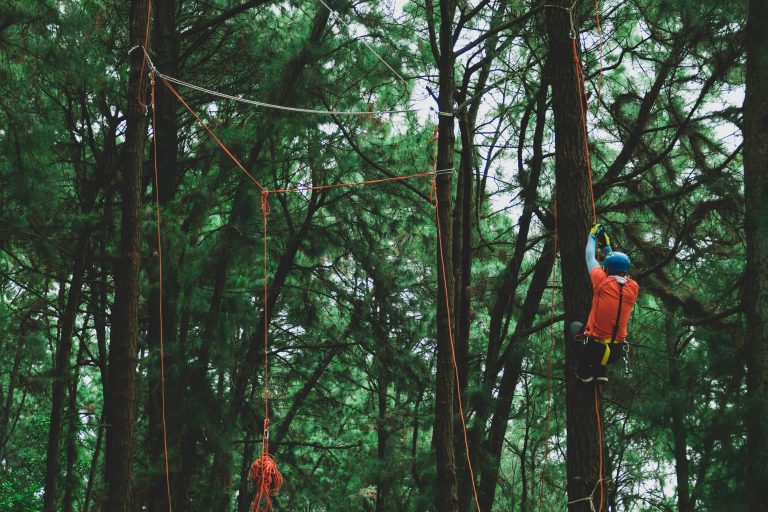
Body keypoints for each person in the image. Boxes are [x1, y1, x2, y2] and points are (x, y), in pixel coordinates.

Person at [571, 223, 639, 384]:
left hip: (594, 350)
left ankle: (584, 372)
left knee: (574, 327)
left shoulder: (601, 281)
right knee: (607, 336)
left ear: (606, 268)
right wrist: (607, 246)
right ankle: (601, 371)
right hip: (615, 352)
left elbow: (589, 257)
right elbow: (615, 267)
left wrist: (592, 236)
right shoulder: (633, 287)